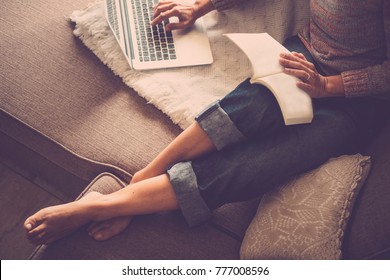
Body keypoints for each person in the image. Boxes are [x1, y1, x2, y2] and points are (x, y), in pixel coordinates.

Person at [24, 0, 389, 245]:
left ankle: (113, 204)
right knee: (254, 102)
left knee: (274, 158)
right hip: (305, 55)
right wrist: (200, 6)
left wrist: (328, 87)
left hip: (356, 102)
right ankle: (144, 177)